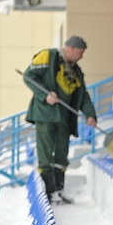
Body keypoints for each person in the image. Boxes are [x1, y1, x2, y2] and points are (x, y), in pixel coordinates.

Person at [23, 35, 97, 203]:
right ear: (71, 49)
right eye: (80, 52)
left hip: (64, 118)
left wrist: (90, 114)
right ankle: (49, 193)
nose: (82, 56)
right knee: (45, 153)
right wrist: (45, 95)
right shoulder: (47, 57)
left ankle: (59, 190)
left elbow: (83, 95)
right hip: (45, 115)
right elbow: (28, 76)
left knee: (62, 154)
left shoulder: (77, 72)